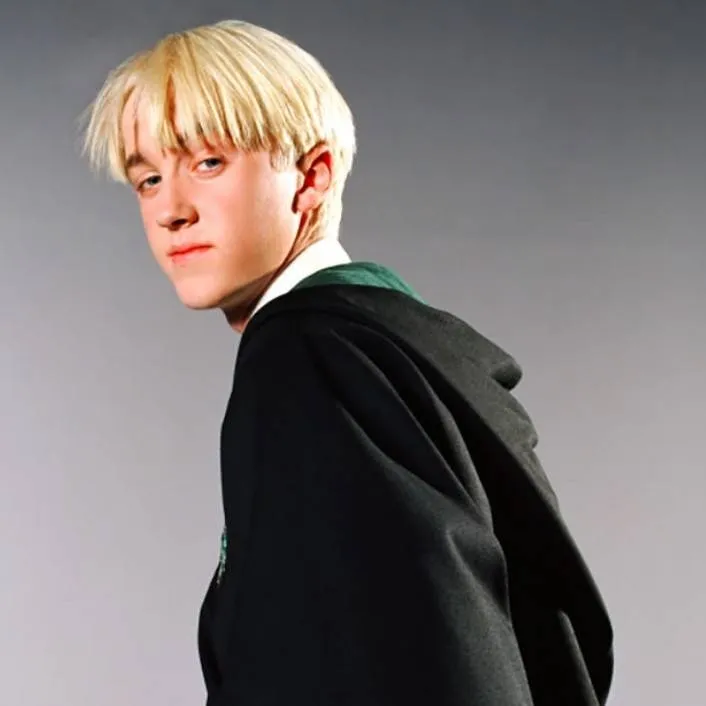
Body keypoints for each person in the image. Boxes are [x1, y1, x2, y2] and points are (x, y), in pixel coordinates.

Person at [81, 19, 614, 706]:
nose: (171, 210)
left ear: (312, 176)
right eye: (148, 179)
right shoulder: (400, 351)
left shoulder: (309, 358)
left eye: (208, 163)